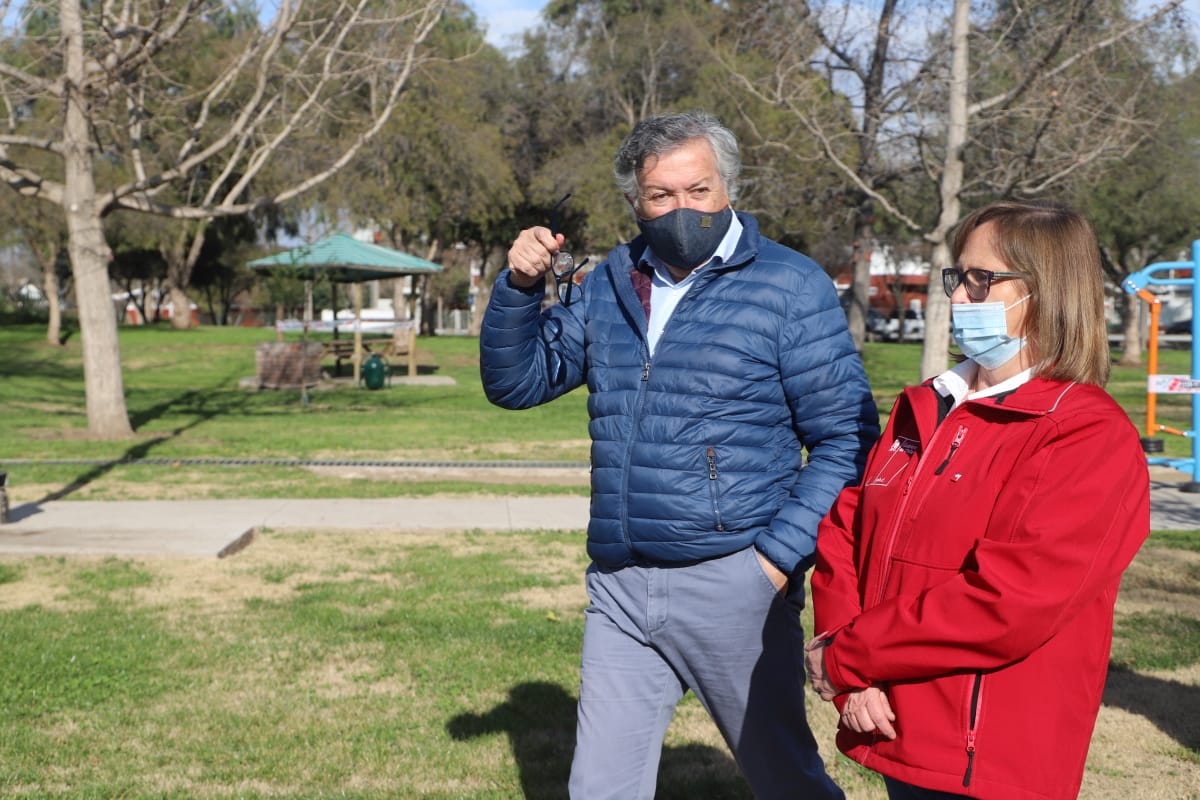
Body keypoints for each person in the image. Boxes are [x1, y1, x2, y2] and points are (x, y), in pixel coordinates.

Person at [480, 111, 879, 799]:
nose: (681, 209)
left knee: (786, 780)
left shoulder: (788, 284)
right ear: (636, 202)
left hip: (736, 582)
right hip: (621, 585)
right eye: (661, 196)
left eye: (698, 190)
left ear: (728, 186)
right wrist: (519, 291)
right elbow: (518, 382)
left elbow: (848, 437)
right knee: (600, 789)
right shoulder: (609, 282)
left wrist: (775, 559)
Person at [804, 200, 1150, 800]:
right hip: (893, 721)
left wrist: (848, 656)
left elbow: (1009, 601)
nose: (958, 297)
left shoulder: (1084, 433)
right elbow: (847, 531)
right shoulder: (925, 407)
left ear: (1045, 291)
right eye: (958, 276)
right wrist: (852, 669)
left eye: (981, 279)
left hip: (988, 758)